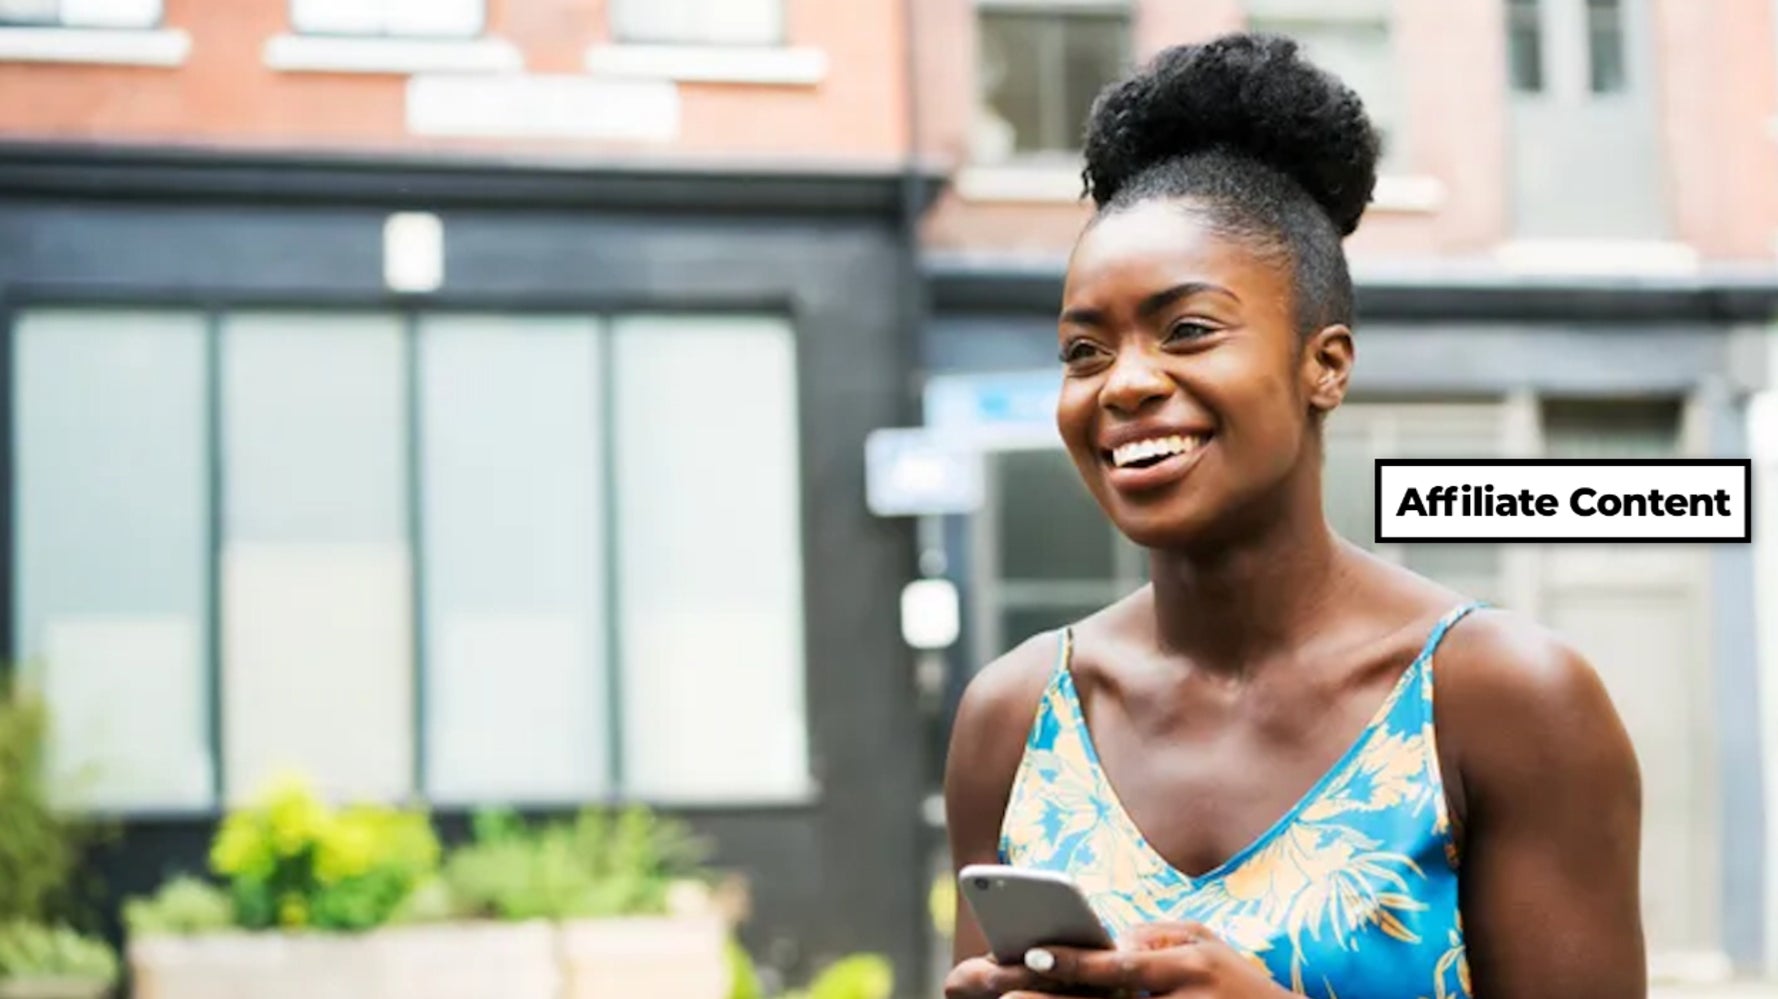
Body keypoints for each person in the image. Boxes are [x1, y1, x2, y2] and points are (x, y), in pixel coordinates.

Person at [941, 32, 1645, 999]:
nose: (1126, 382)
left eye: (1188, 330)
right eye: (1083, 350)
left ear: (1326, 363)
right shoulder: (1015, 716)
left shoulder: (1506, 701)